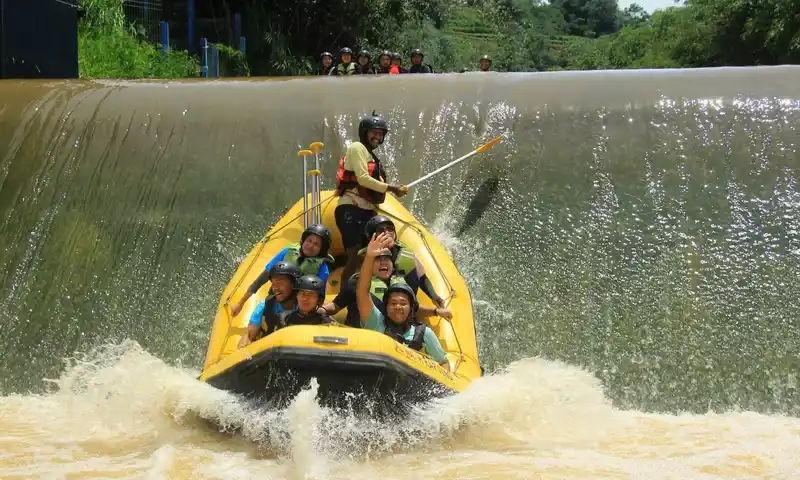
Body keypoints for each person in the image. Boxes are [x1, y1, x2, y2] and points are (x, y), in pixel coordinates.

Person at [357, 232, 449, 369]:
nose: (398, 307)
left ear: (411, 308)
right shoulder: (376, 322)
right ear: (386, 307)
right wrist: (370, 257)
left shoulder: (424, 333)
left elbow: (443, 364)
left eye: (403, 303)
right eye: (393, 303)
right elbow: (362, 292)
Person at [334, 112, 407, 283]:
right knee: (354, 255)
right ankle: (343, 296)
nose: (378, 136)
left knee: (378, 251)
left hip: (367, 211)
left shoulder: (371, 156)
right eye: (374, 132)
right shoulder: (357, 148)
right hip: (350, 208)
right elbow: (363, 179)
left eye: (381, 134)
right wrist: (392, 188)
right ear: (364, 132)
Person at [320, 250, 451, 327]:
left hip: (389, 340)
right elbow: (336, 305)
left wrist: (436, 311)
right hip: (358, 336)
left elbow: (414, 309)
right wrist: (321, 310)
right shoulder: (356, 283)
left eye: (386, 259)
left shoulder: (400, 285)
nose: (383, 262)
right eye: (378, 259)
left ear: (392, 266)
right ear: (369, 265)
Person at [230, 224, 334, 316]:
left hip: (299, 309)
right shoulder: (287, 252)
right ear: (303, 240)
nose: (310, 245)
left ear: (322, 249)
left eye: (316, 244)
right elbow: (261, 279)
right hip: (277, 300)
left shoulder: (322, 268)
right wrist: (241, 303)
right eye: (309, 241)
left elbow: (319, 297)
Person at [359, 215, 445, 307]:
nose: (387, 232)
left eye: (390, 228)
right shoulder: (367, 258)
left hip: (404, 305)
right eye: (381, 230)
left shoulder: (405, 253)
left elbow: (422, 278)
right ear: (373, 236)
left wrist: (435, 298)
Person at [238, 261, 301, 348]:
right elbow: (248, 335)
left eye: (280, 283)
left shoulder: (305, 308)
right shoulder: (264, 306)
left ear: (294, 284)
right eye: (274, 283)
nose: (275, 288)